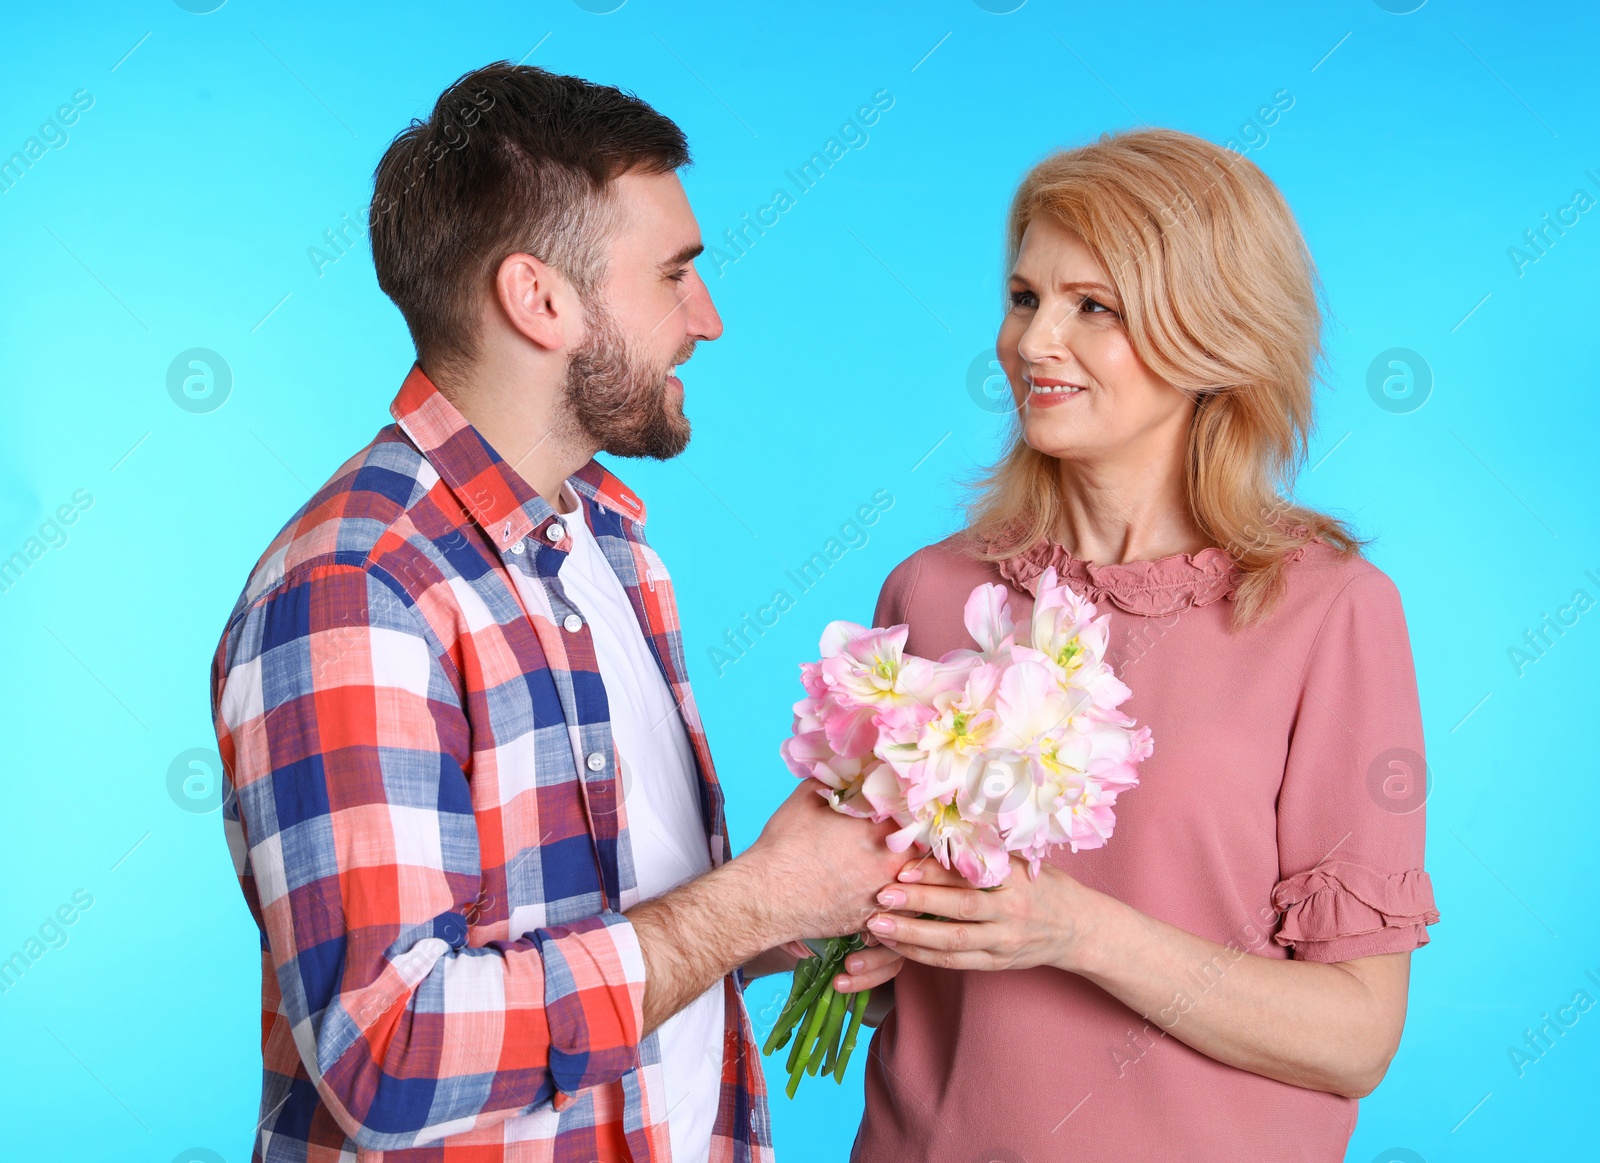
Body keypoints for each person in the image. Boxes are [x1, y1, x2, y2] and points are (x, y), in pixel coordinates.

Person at [208, 63, 903, 1163]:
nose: (707, 321)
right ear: (541, 299)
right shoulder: (359, 589)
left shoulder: (609, 548)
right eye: (675, 274)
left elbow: (620, 925)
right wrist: (754, 901)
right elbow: (390, 1054)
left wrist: (801, 915)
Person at [843, 129, 1441, 1162]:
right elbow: (870, 944)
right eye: (1025, 296)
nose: (1032, 343)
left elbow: (1356, 1035)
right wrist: (849, 939)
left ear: (1211, 334)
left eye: (1094, 306)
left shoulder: (1330, 613)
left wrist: (1078, 932)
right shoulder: (932, 592)